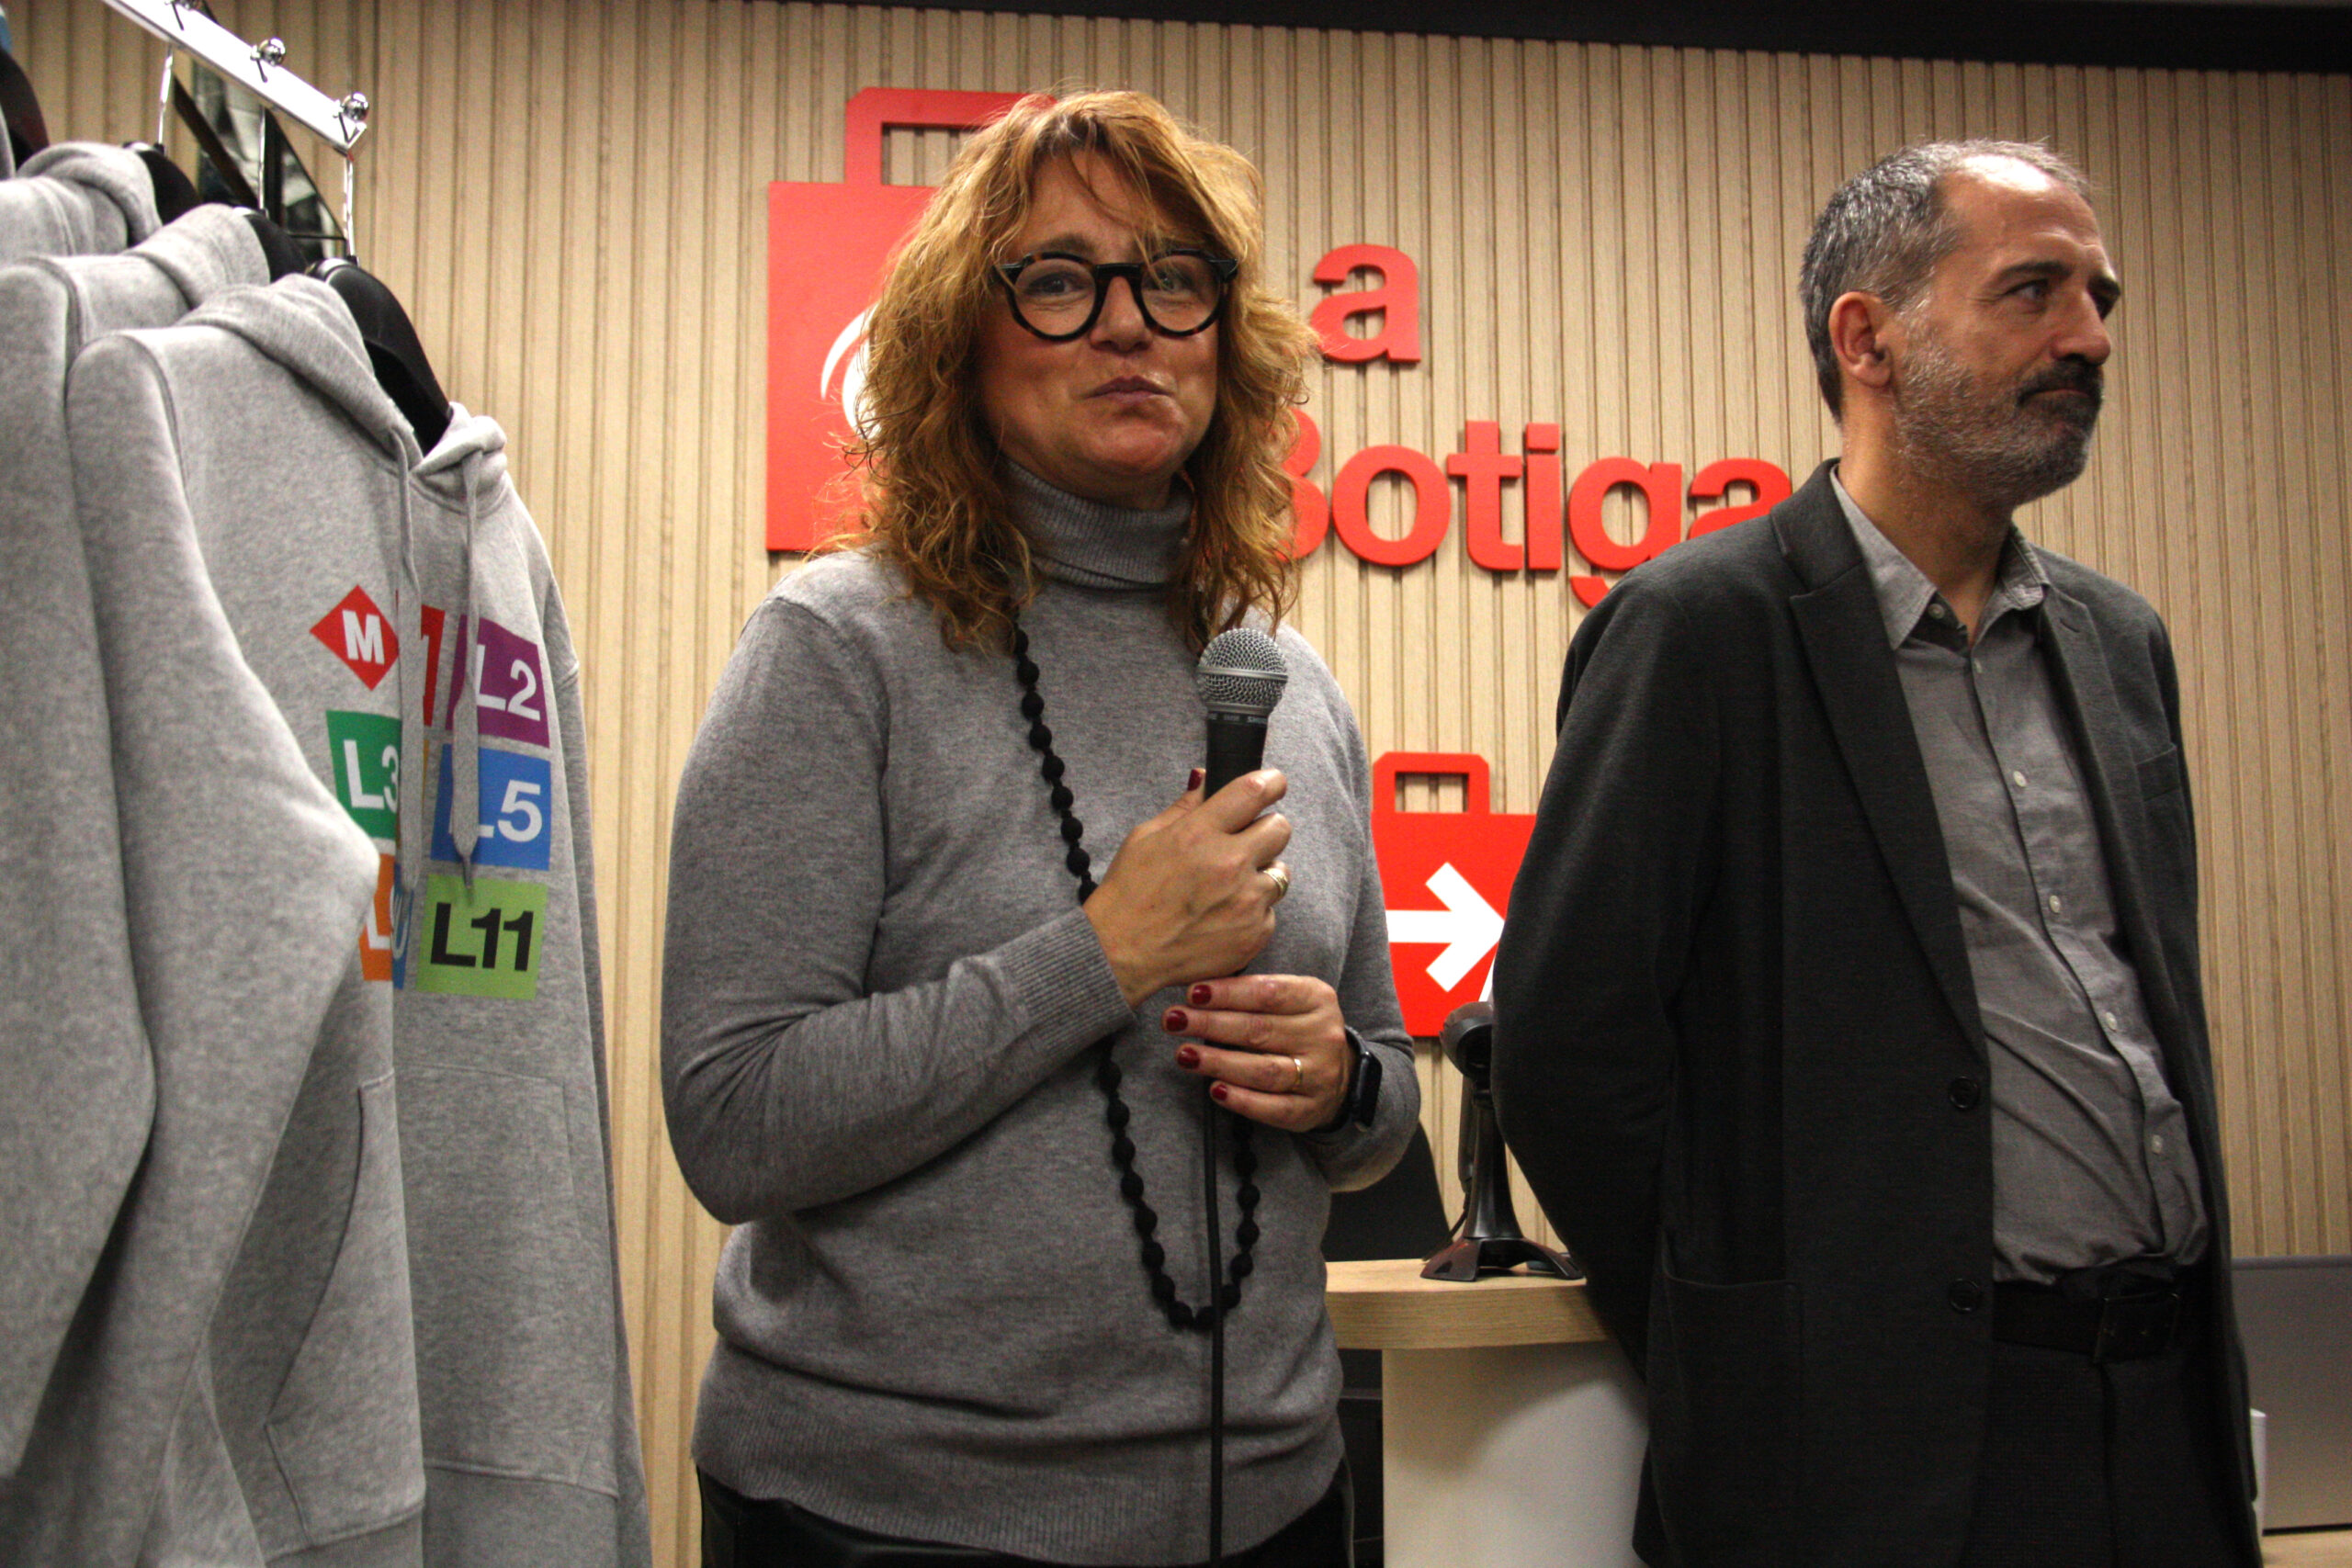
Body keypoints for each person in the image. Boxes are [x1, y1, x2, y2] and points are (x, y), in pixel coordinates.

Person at [662, 91, 1416, 1568]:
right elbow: (735, 1122)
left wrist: (1338, 1085)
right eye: (1063, 281)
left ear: (1226, 341)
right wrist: (1103, 954)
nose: (1130, 324)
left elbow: (1383, 1098)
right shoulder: (839, 651)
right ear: (963, 345)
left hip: (1276, 1500)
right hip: (890, 1519)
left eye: (1174, 279)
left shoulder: (1286, 681)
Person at [1491, 141, 2259, 1567]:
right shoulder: (1701, 631)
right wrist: (1746, 1347)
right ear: (1868, 340)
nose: (2089, 338)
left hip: (2169, 1430)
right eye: (2032, 291)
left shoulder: (2119, 642)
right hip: (1870, 1459)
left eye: (2098, 298)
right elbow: (1567, 1049)